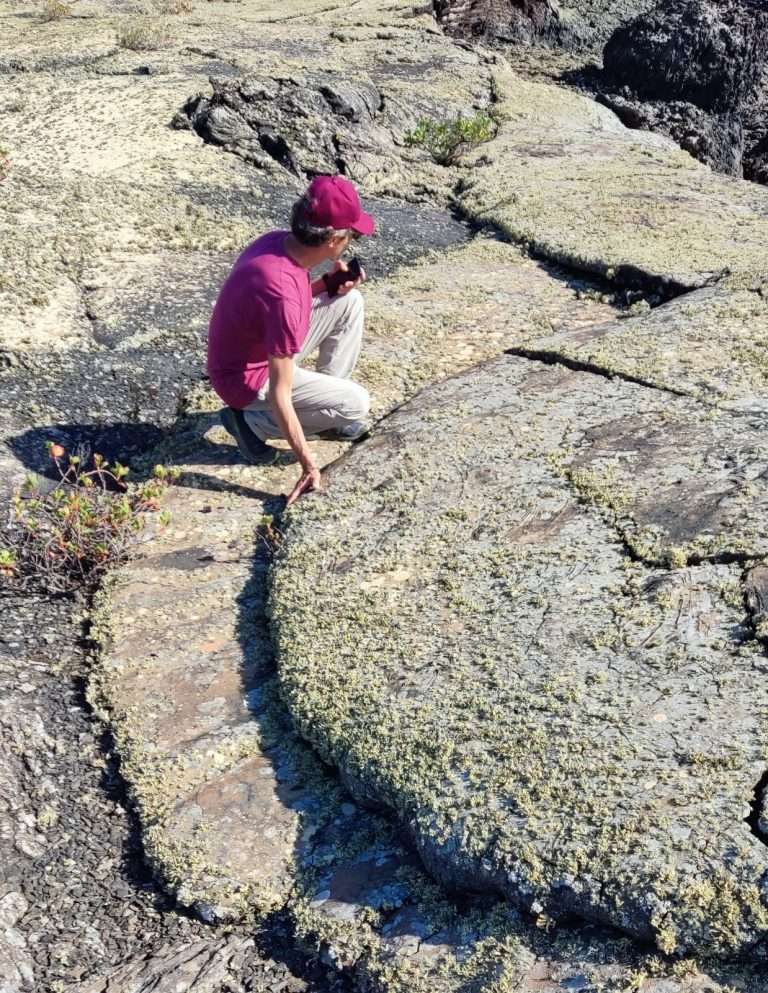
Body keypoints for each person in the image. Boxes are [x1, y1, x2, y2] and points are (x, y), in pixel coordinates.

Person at [207, 175, 375, 506]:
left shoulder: (275, 243)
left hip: (245, 353)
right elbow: (281, 391)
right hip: (246, 381)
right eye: (352, 236)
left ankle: (325, 405)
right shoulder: (282, 292)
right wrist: (308, 464)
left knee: (349, 303)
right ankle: (253, 425)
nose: (351, 242)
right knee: (357, 404)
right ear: (333, 240)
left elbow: (281, 305)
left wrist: (328, 284)